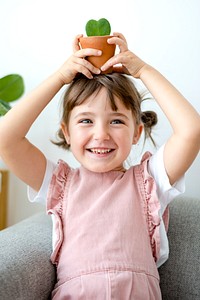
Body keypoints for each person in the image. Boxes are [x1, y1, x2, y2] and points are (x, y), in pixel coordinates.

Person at [0, 32, 199, 299]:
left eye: (116, 121)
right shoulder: (60, 185)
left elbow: (191, 130)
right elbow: (6, 139)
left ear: (137, 132)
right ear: (66, 132)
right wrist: (60, 77)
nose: (101, 134)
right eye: (86, 121)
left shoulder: (150, 182)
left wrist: (143, 70)